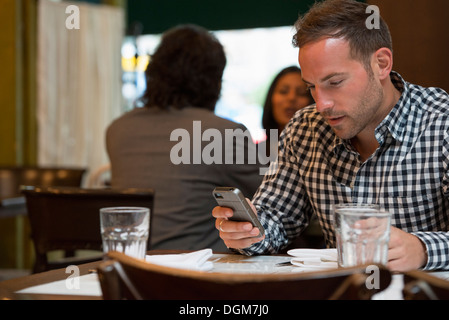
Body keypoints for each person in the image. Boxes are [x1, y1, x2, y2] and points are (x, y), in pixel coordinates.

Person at [212, 0, 449, 272]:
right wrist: (248, 231)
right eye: (311, 87)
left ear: (381, 64)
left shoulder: (441, 123)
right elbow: (275, 221)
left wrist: (422, 249)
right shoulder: (305, 128)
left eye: (334, 82)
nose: (321, 104)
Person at [106, 24, 262, 252]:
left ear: (154, 71)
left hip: (132, 268)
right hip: (200, 273)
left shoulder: (117, 129)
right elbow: (278, 193)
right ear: (214, 81)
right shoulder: (222, 132)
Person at [259, 66, 314, 160]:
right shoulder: (253, 153)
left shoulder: (321, 154)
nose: (291, 98)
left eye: (301, 93)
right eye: (283, 91)